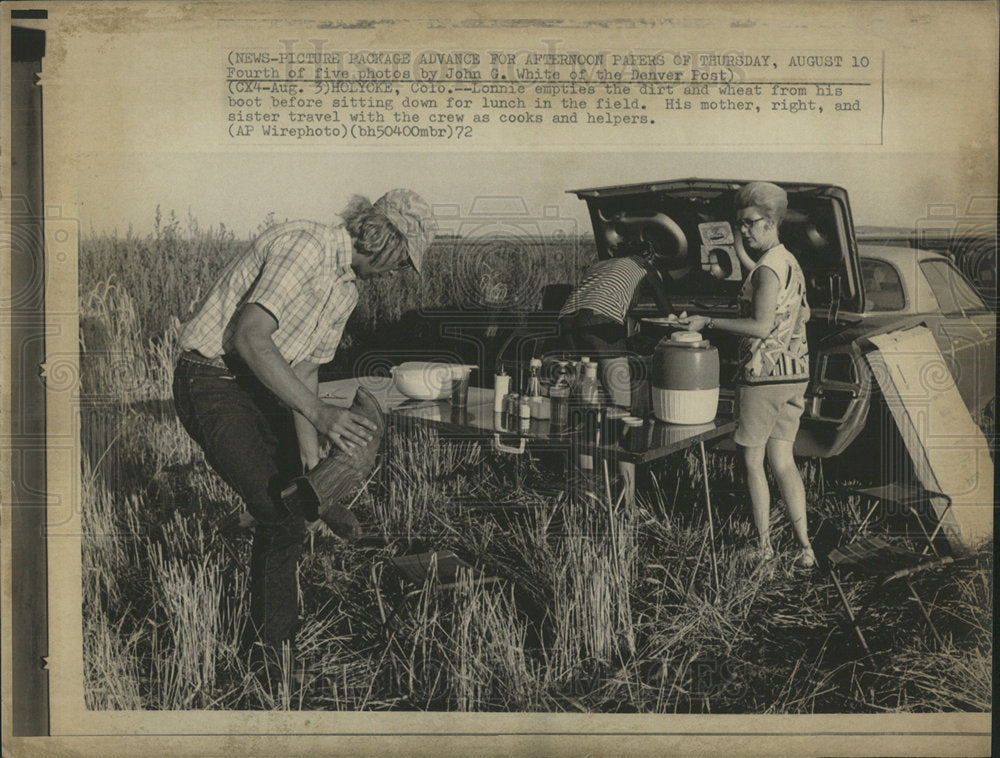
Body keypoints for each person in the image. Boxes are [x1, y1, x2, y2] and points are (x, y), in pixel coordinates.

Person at [171, 188, 437, 672]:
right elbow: (250, 337)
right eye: (403, 258)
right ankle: (272, 658)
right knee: (277, 509)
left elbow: (307, 371)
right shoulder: (306, 246)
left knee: (296, 501)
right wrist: (321, 414)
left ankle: (276, 641)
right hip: (212, 377)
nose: (401, 271)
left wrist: (315, 471)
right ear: (379, 234)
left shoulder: (346, 289)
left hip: (262, 385)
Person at [680, 182, 816, 568]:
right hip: (794, 374)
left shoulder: (768, 273)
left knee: (753, 463)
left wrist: (707, 321)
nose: (743, 230)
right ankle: (805, 549)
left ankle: (764, 547)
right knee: (784, 462)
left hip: (761, 377)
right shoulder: (786, 260)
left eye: (749, 223)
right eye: (739, 224)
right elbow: (801, 312)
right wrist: (732, 234)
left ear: (770, 222)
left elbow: (759, 326)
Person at [557, 244, 674, 408]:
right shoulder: (645, 266)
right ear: (649, 257)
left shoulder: (600, 265)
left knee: (580, 394)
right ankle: (620, 425)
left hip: (566, 319)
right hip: (598, 318)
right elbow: (668, 312)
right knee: (620, 402)